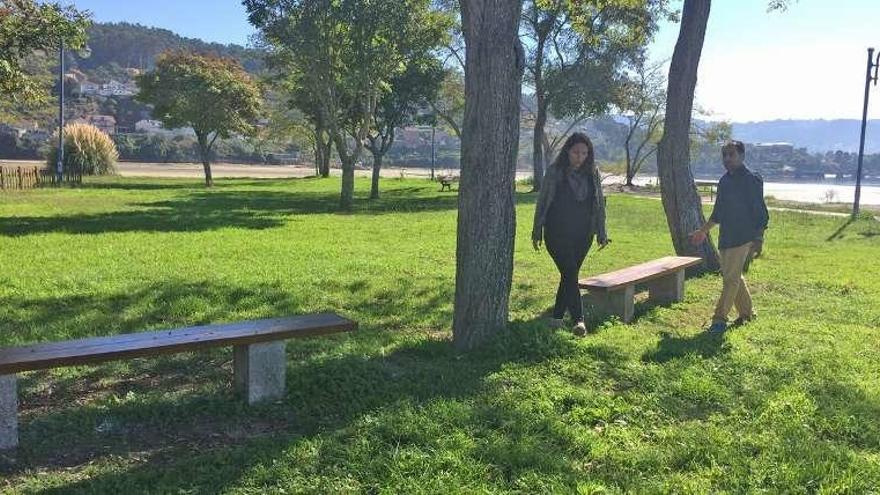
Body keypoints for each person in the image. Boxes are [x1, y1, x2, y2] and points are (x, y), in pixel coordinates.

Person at [532, 132, 610, 336]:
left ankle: (557, 318)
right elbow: (542, 202)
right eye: (576, 152)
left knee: (569, 275)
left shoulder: (593, 173)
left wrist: (601, 232)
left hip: (583, 235)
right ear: (567, 151)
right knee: (569, 272)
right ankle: (579, 321)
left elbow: (599, 204)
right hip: (556, 233)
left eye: (584, 153)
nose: (580, 157)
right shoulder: (554, 172)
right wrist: (536, 230)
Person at [690, 140, 769, 334]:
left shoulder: (752, 180)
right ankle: (747, 313)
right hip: (726, 238)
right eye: (724, 155)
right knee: (733, 277)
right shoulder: (724, 181)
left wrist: (758, 239)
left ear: (741, 156)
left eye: (731, 154)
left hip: (744, 238)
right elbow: (718, 212)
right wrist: (703, 231)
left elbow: (761, 212)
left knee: (730, 279)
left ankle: (719, 319)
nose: (727, 159)